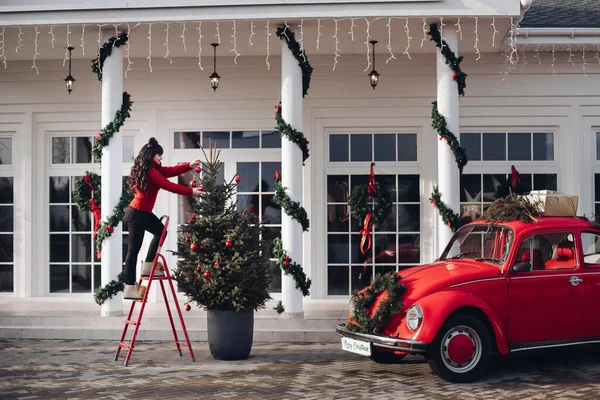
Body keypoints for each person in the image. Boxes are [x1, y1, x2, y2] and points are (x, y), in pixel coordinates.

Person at [123, 137, 202, 300]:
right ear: (151, 155)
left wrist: (188, 165)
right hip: (137, 214)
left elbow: (170, 171)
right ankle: (130, 288)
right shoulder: (151, 172)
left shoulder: (154, 169)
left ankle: (148, 266)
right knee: (133, 251)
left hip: (141, 213)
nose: (161, 157)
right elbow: (168, 185)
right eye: (159, 155)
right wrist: (190, 192)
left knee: (161, 231)